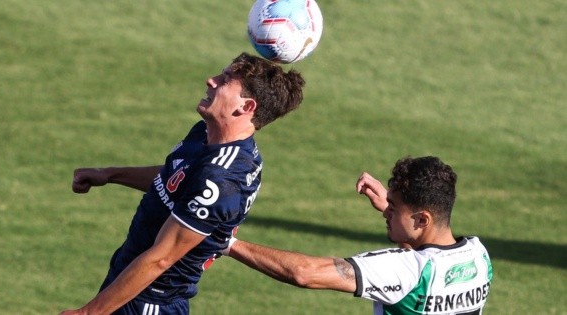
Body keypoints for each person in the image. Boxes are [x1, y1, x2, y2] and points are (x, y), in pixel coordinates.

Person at [59, 52, 306, 315]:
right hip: (126, 284)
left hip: (149, 302)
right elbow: (175, 178)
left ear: (246, 107)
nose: (210, 81)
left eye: (224, 81)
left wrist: (89, 313)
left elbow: (161, 259)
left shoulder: (221, 181)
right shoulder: (205, 135)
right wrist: (111, 175)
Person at [222, 156, 493, 315]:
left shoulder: (403, 269)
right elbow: (425, 267)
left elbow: (304, 272)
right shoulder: (479, 257)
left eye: (394, 208)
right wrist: (393, 210)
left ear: (422, 219)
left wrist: (226, 243)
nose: (388, 213)